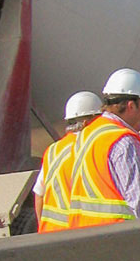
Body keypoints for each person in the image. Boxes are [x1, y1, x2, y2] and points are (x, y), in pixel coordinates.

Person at [66, 68, 140, 228]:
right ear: (131, 105)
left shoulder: (87, 134)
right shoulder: (125, 142)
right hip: (118, 237)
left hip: (82, 235)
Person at [34, 91, 102, 232]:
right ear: (89, 121)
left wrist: (42, 228)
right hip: (84, 232)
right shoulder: (96, 146)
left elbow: (39, 195)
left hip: (52, 233)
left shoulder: (53, 150)